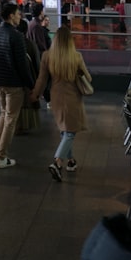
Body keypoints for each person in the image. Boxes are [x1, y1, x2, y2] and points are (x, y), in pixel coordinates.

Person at [31, 25, 90, 182]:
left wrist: (35, 94)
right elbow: (88, 78)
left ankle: (70, 161)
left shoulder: (47, 56)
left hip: (56, 97)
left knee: (65, 131)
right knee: (70, 132)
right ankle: (57, 162)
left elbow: (42, 79)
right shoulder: (76, 57)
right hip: (72, 97)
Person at [0, 2, 35, 169]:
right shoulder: (16, 36)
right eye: (18, 14)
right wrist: (31, 85)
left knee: (4, 114)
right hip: (13, 83)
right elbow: (22, 65)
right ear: (11, 15)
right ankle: (2, 157)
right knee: (11, 118)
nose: (20, 17)